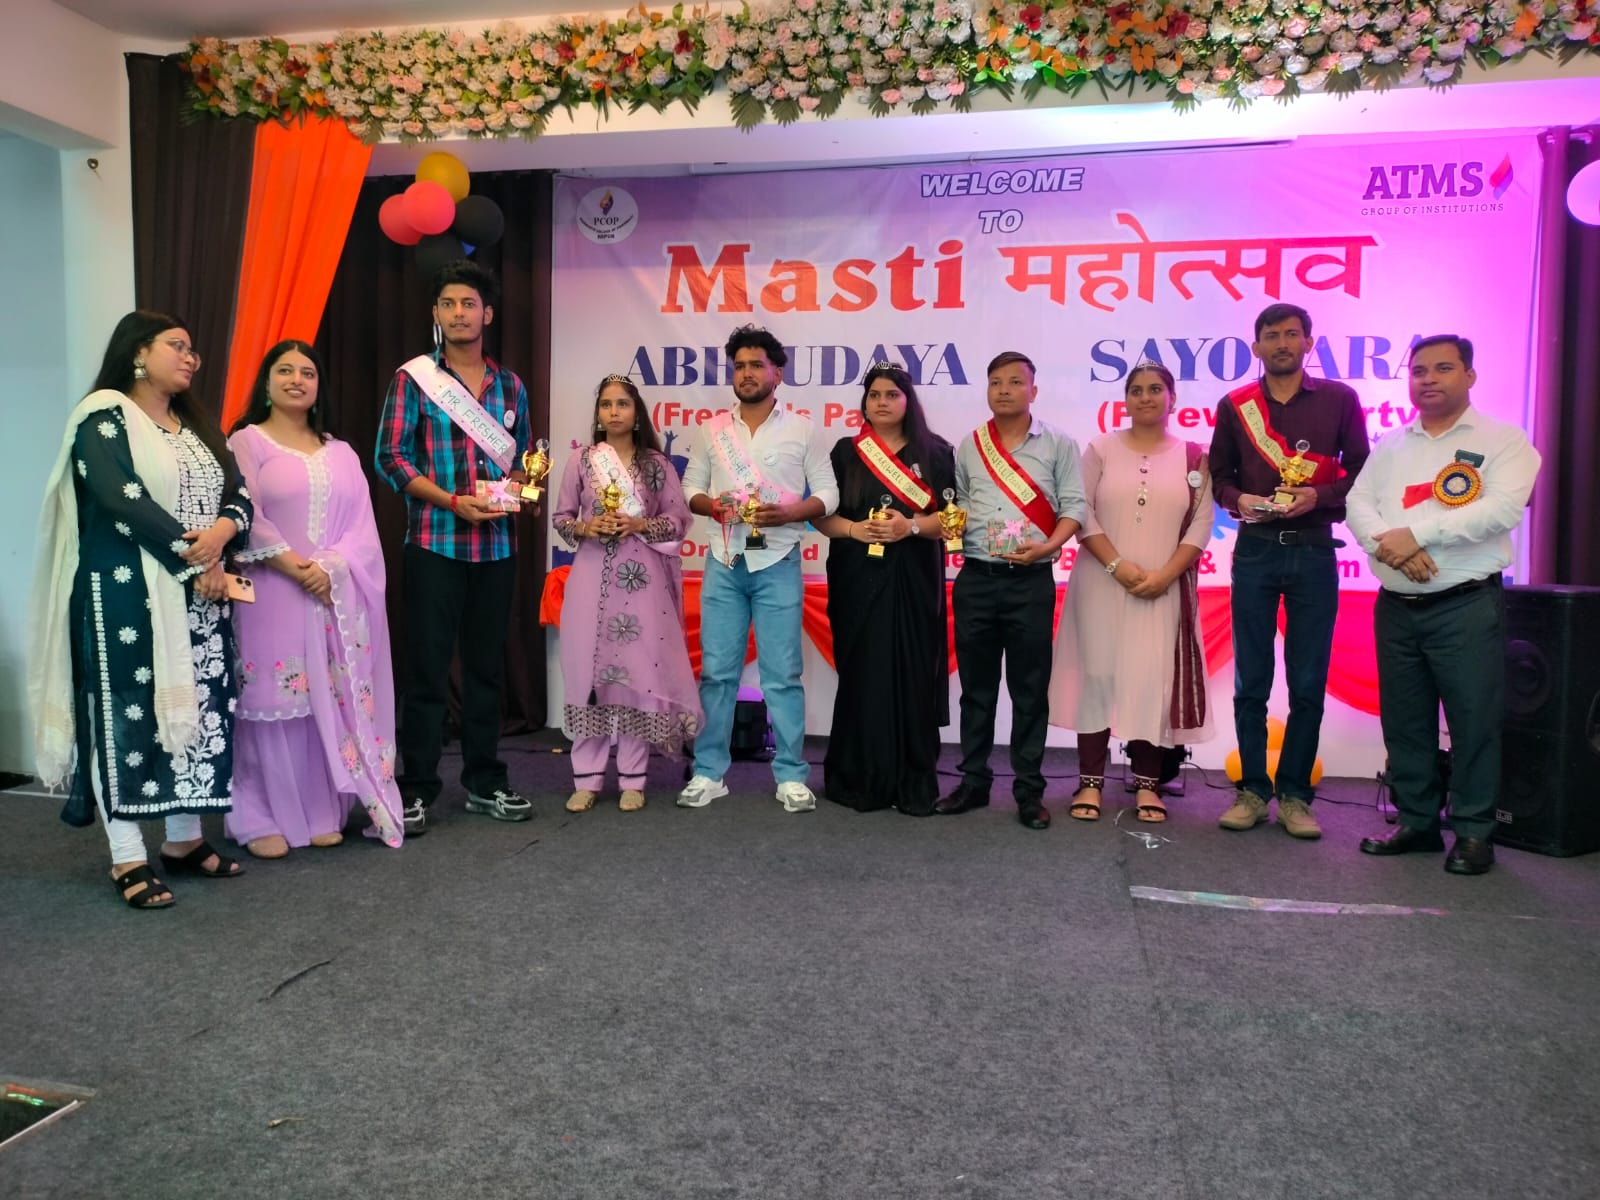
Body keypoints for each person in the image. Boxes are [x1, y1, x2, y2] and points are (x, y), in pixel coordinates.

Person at [29, 310, 252, 908]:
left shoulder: (196, 425)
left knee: (197, 712)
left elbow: (238, 491)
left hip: (200, 597)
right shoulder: (102, 417)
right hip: (126, 594)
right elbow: (121, 499)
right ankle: (127, 855)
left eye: (193, 349)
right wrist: (197, 558)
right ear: (137, 352)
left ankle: (184, 839)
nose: (190, 357)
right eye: (177, 346)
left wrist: (221, 535)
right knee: (127, 717)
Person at [1346, 335, 1540, 875]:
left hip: (1464, 605)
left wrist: (1417, 535)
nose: (1428, 378)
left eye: (1443, 368)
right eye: (1419, 370)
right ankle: (1417, 822)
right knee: (1405, 720)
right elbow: (1359, 502)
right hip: (1395, 605)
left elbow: (1501, 510)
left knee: (1474, 720)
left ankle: (1474, 832)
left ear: (1470, 376)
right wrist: (1392, 547)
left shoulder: (1504, 440)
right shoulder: (1391, 444)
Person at [225, 341, 405, 857]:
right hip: (270, 591)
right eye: (284, 370)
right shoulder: (246, 442)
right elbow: (244, 512)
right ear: (265, 383)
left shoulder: (341, 452)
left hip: (331, 594)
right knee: (272, 701)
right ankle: (259, 818)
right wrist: (293, 566)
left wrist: (330, 568)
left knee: (323, 700)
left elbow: (363, 528)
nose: (296, 380)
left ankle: (322, 812)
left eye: (307, 372)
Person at [375, 260, 533, 836]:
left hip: (496, 548)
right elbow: (391, 457)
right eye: (449, 304)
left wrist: (520, 490)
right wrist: (451, 501)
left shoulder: (511, 384)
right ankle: (415, 787)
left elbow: (523, 459)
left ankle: (485, 781)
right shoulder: (415, 379)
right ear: (436, 314)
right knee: (428, 670)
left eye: (469, 304)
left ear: (487, 314)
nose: (459, 313)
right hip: (434, 543)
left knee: (487, 671)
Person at [1208, 303, 1370, 841]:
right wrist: (1238, 499)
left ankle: (1296, 796)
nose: (1282, 343)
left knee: (1308, 680)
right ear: (1256, 347)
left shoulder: (1340, 399)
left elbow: (1362, 472)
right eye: (1272, 335)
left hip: (1314, 550)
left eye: (1292, 334)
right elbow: (1219, 477)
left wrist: (1317, 496)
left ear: (1308, 342)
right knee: (1251, 680)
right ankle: (1253, 791)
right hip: (1255, 550)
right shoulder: (1235, 405)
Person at [677, 324, 839, 813]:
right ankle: (709, 772)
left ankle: (790, 775)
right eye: (740, 366)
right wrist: (711, 506)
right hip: (724, 561)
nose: (746, 374)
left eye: (756, 365)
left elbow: (828, 493)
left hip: (778, 562)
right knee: (717, 675)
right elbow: (690, 488)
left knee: (782, 676)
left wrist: (790, 513)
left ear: (777, 374)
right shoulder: (712, 429)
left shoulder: (802, 429)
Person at [1050, 363, 1215, 822]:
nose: (1145, 397)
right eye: (1136, 390)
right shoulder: (1101, 448)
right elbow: (1079, 510)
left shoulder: (1194, 457)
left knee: (1151, 681)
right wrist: (1117, 566)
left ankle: (1147, 786)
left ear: (1172, 398)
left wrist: (1164, 576)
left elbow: (1201, 526)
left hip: (1161, 587)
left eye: (1155, 389)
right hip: (1100, 582)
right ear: (1125, 400)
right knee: (1097, 676)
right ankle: (1090, 782)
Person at [936, 350, 1087, 830]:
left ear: (1033, 391)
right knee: (976, 691)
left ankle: (1029, 791)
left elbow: (1075, 507)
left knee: (1029, 690)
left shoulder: (1059, 443)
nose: (1004, 390)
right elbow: (959, 505)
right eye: (996, 382)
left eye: (1015, 382)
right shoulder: (970, 445)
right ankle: (973, 783)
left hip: (1031, 583)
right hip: (977, 580)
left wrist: (1049, 547)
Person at [552, 375, 702, 812]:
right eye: (606, 405)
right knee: (589, 675)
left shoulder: (657, 464)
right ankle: (587, 778)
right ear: (598, 413)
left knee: (639, 676)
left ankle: (633, 779)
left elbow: (678, 520)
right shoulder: (581, 461)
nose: (613, 412)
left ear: (637, 414)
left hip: (643, 581)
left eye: (622, 404)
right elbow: (562, 518)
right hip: (591, 576)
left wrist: (639, 524)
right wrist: (587, 527)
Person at [813, 362, 955, 815]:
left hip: (915, 575)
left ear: (908, 401)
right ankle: (860, 779)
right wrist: (855, 530)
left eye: (892, 394)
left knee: (913, 671)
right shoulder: (845, 452)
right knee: (863, 672)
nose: (882, 402)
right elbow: (820, 516)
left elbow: (952, 520)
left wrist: (909, 527)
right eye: (874, 394)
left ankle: (912, 781)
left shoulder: (936, 452)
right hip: (856, 575)